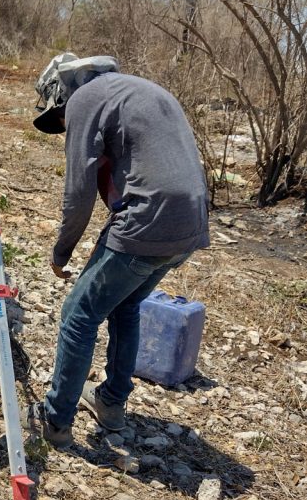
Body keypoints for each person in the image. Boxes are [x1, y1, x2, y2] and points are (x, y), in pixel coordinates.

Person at [26, 53, 209, 448]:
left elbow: (78, 192)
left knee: (79, 314)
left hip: (149, 221)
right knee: (125, 305)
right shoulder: (137, 90)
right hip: (190, 224)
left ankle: (55, 420)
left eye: (59, 118)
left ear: (61, 95)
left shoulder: (84, 99)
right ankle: (110, 404)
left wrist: (62, 252)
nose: (64, 125)